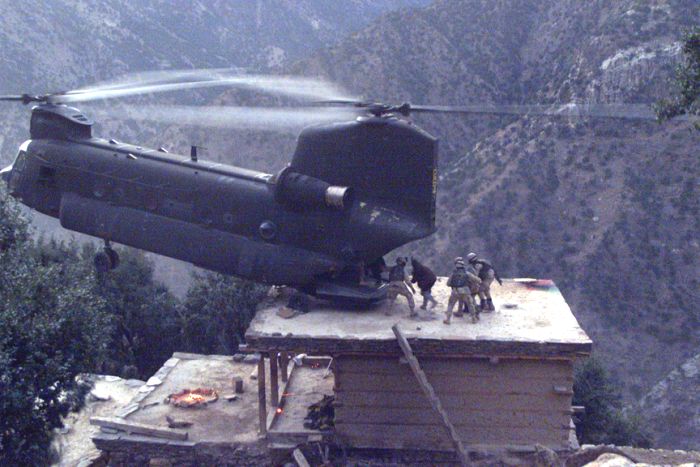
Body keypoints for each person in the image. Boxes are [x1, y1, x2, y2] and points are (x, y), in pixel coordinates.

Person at [444, 257, 481, 324]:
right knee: (470, 305)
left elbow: (448, 283)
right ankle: (474, 319)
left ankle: (448, 320)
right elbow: (477, 280)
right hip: (465, 291)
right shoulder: (467, 273)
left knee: (450, 305)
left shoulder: (453, 274)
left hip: (455, 291)